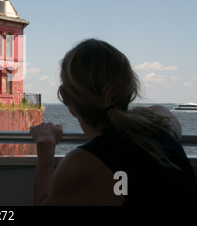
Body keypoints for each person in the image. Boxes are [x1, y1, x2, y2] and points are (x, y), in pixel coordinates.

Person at [30, 39, 197, 205]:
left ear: (64, 96)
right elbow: (155, 112)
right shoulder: (162, 123)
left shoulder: (82, 162)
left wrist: (46, 147)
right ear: (130, 88)